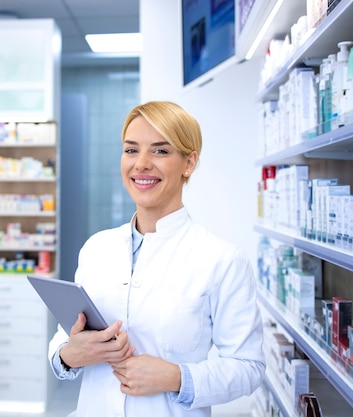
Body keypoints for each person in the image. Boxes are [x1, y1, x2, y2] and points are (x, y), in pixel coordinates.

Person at [48, 101, 265, 416]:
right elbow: (61, 342)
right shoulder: (96, 249)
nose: (141, 164)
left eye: (160, 151)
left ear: (188, 163)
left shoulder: (222, 260)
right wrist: (70, 353)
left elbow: (249, 367)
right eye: (131, 150)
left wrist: (176, 377)